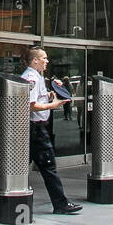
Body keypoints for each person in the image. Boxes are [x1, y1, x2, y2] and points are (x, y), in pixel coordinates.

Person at [22, 47, 81, 214]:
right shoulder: (31, 77)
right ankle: (61, 204)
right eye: (44, 58)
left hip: (35, 129)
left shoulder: (37, 76)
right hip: (36, 129)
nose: (47, 61)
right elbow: (30, 105)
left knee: (19, 163)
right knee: (49, 166)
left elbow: (39, 97)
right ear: (35, 60)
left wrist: (52, 92)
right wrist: (53, 105)